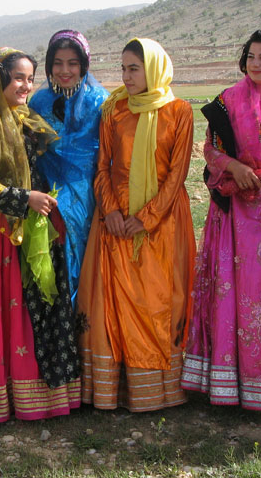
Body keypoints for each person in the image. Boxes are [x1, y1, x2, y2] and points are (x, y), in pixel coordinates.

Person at [181, 29, 261, 410]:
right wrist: (234, 166)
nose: (255, 64)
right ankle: (229, 384)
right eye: (250, 56)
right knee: (232, 291)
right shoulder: (227, 101)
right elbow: (209, 148)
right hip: (235, 214)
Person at [0, 47, 80, 425]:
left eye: (30, 78)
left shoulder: (23, 117)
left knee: (29, 309)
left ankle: (38, 395)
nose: (26, 85)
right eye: (17, 78)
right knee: (2, 311)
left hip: (27, 224)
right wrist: (25, 198)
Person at [78, 38, 194, 412]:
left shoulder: (180, 111)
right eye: (124, 68)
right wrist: (110, 210)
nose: (126, 76)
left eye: (134, 68)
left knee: (158, 299)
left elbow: (177, 175)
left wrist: (145, 218)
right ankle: (116, 390)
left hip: (161, 222)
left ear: (154, 69)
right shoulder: (114, 110)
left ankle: (158, 391)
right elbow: (103, 165)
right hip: (114, 222)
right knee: (113, 304)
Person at [28, 30, 109, 305]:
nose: (65, 71)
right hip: (49, 197)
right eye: (58, 63)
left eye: (72, 63)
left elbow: (108, 153)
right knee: (57, 266)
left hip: (90, 197)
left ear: (84, 65)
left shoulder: (100, 101)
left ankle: (88, 336)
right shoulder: (38, 103)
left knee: (90, 262)